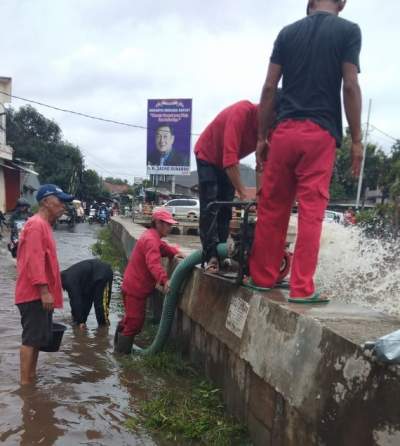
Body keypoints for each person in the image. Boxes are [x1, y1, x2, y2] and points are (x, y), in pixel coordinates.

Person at [248, 0, 363, 303]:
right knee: (311, 212)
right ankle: (301, 288)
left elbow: (269, 89)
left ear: (309, 3)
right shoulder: (348, 31)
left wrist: (261, 137)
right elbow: (349, 86)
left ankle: (262, 278)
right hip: (320, 134)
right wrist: (357, 140)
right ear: (342, 3)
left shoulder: (287, 33)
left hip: (283, 132)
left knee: (272, 208)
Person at [194, 99, 279, 273]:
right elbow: (229, 161)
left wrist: (260, 198)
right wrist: (242, 192)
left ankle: (222, 253)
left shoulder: (270, 128)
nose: (274, 123)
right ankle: (211, 256)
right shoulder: (241, 113)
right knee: (211, 205)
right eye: (274, 118)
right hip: (208, 155)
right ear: (265, 109)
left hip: (227, 162)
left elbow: (262, 164)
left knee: (226, 209)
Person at [15, 184, 74, 385]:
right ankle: (25, 386)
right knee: (30, 340)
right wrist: (44, 291)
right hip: (34, 294)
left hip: (39, 294)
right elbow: (34, 260)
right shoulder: (36, 225)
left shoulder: (44, 226)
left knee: (37, 339)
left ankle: (31, 379)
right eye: (60, 201)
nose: (63, 206)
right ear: (45, 202)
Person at [115, 209, 185, 354]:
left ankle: (118, 348)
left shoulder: (152, 237)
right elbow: (153, 263)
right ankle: (122, 357)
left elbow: (163, 248)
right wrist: (165, 280)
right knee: (134, 323)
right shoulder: (151, 239)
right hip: (135, 288)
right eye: (167, 224)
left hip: (133, 285)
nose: (170, 227)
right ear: (158, 223)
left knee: (130, 320)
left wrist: (175, 252)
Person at [61, 259, 113, 328]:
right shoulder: (66, 277)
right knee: (85, 302)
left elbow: (76, 300)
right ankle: (79, 322)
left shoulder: (69, 281)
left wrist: (80, 321)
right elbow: (77, 301)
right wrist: (78, 319)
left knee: (100, 307)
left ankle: (104, 329)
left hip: (102, 273)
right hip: (89, 279)